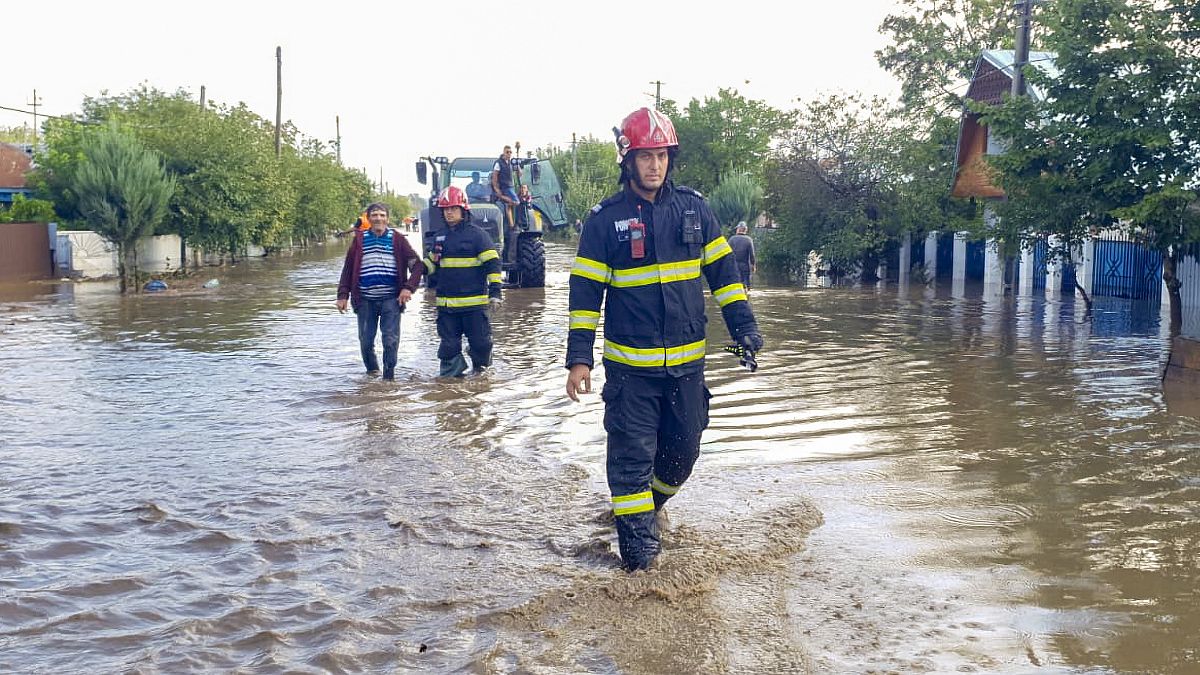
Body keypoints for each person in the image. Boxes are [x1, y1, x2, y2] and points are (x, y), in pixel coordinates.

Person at [564, 107, 763, 571]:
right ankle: (642, 571)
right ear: (628, 161)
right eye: (645, 156)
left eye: (662, 155)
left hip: (687, 370)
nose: (655, 165)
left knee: (683, 453)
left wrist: (745, 330)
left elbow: (725, 278)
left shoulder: (695, 208)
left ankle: (645, 512)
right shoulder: (603, 221)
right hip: (630, 375)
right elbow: (585, 296)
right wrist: (580, 359)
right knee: (630, 463)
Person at [336, 202, 424, 380]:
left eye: (382, 215)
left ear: (388, 219)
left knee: (390, 340)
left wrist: (408, 288)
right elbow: (348, 269)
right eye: (375, 215)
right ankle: (372, 374)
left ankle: (388, 380)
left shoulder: (398, 239)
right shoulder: (359, 240)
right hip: (365, 299)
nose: (378, 218)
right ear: (368, 219)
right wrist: (342, 295)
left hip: (391, 299)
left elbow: (417, 265)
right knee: (366, 341)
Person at [422, 185, 503, 377]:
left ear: (463, 209)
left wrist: (495, 293)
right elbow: (433, 264)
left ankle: (480, 379)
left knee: (481, 346)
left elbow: (493, 264)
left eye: (453, 209)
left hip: (474, 306)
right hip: (447, 307)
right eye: (446, 209)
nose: (449, 213)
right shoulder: (439, 236)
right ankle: (450, 389)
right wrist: (415, 268)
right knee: (448, 349)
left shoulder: (478, 235)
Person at [728, 221, 757, 290]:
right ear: (745, 230)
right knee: (746, 286)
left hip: (734, 267)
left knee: (735, 285)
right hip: (745, 267)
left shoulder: (731, 239)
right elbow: (752, 255)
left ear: (738, 229)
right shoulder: (749, 240)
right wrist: (753, 265)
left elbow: (727, 253)